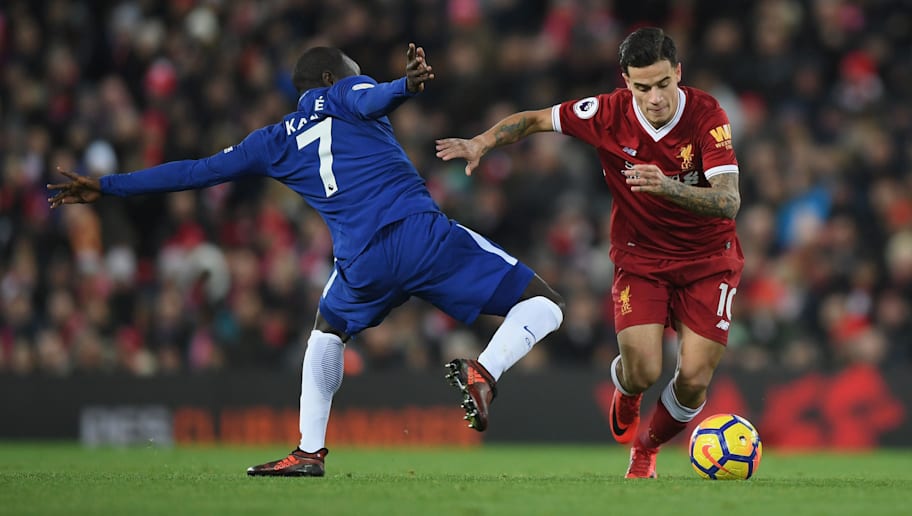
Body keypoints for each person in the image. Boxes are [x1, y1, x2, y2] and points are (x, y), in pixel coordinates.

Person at [48, 43, 565, 477]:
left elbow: (193, 172)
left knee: (326, 329)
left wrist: (109, 187)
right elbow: (375, 94)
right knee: (545, 303)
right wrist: (405, 86)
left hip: (361, 262)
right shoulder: (345, 92)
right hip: (417, 235)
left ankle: (309, 451)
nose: (358, 76)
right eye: (352, 70)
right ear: (328, 76)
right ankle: (486, 373)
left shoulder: (271, 141)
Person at [436, 27, 743, 479]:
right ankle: (628, 390)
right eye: (642, 87)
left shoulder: (707, 115)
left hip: (707, 258)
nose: (655, 97)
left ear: (678, 73)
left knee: (694, 378)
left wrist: (667, 186)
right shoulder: (606, 113)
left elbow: (729, 199)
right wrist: (483, 142)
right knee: (642, 371)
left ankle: (645, 449)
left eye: (663, 84)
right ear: (626, 82)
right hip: (641, 258)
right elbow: (536, 119)